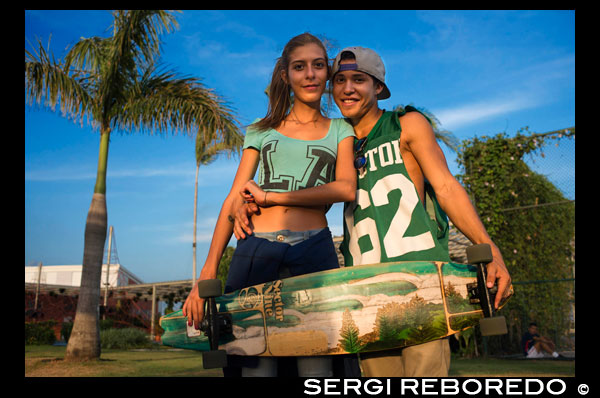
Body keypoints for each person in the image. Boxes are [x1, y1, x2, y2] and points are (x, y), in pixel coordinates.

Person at [235, 46, 512, 377]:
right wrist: (246, 201)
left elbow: (446, 187)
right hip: (364, 291)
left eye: (359, 79)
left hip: (419, 282)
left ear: (378, 87)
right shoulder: (338, 140)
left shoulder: (405, 124)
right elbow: (298, 179)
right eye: (339, 80)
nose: (348, 88)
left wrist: (489, 247)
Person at [182, 33, 356, 377]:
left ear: (327, 73)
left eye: (318, 65)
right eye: (300, 66)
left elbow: (346, 188)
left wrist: (269, 196)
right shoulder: (260, 131)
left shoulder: (340, 129)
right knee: (254, 364)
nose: (310, 74)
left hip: (314, 254)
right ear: (285, 76)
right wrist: (206, 277)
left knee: (317, 364)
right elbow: (232, 202)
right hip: (255, 251)